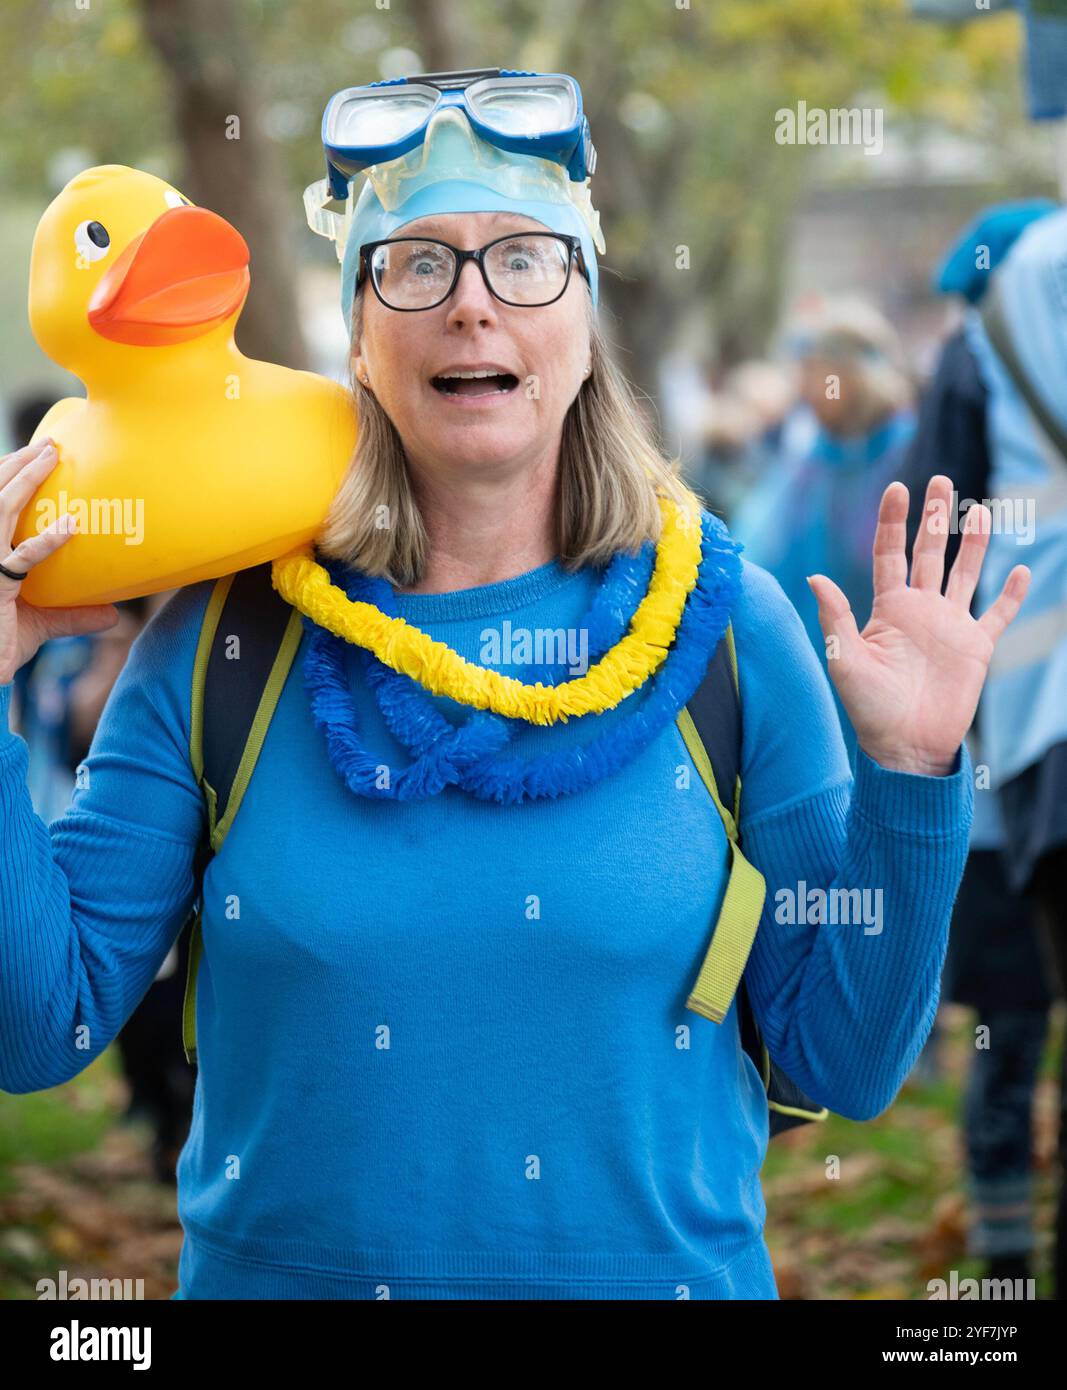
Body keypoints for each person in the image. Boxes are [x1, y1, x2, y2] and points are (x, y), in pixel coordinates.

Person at [0, 68, 1030, 1301]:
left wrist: (912, 776)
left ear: (582, 320)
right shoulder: (227, 641)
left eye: (525, 259)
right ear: (360, 340)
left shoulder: (723, 630)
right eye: (416, 264)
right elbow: (38, 1026)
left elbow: (845, 1063)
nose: (472, 306)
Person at [899, 201, 1060, 1285]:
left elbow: (923, 530)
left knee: (1006, 1019)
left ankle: (1002, 1269)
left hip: (1025, 739)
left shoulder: (977, 356)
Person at [732, 298, 916, 760]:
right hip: (811, 671)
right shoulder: (812, 457)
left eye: (816, 373)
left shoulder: (909, 454)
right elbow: (758, 546)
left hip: (891, 671)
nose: (805, 390)